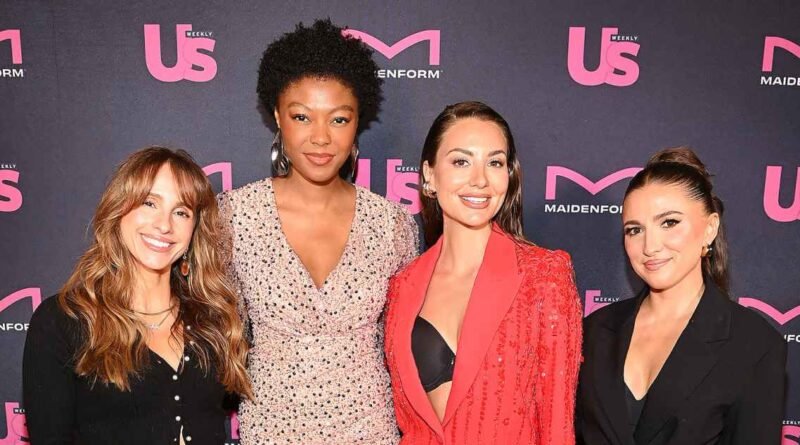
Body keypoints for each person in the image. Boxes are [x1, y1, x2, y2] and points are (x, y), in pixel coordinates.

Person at [217, 19, 418, 444]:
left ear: (357, 122)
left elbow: (402, 344)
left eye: (339, 119)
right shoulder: (233, 215)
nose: (321, 138)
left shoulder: (392, 225)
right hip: (271, 427)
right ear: (278, 116)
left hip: (369, 427)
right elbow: (216, 329)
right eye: (302, 117)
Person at [383, 101, 583, 444]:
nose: (480, 180)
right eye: (461, 161)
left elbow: (557, 426)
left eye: (495, 162)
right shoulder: (403, 285)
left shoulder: (544, 276)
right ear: (429, 175)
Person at [23, 147, 252, 445]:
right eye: (149, 203)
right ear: (119, 210)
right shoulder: (64, 321)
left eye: (181, 212)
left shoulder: (213, 319)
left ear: (195, 228)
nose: (164, 225)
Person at [577, 147, 787, 445]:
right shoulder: (593, 331)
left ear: (710, 229)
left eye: (669, 223)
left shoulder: (754, 344)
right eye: (635, 230)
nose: (650, 246)